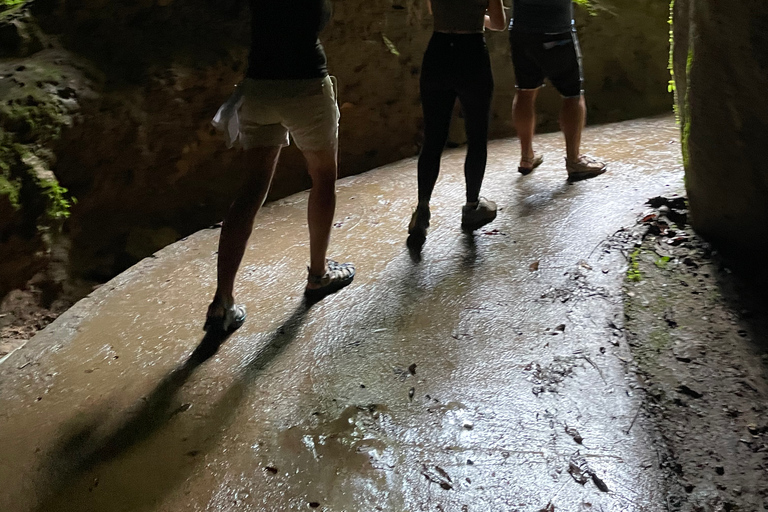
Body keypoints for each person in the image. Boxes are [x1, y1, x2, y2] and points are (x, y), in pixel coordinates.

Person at [205, 0, 354, 332]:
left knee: (251, 189)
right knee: (323, 177)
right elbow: (319, 19)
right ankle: (318, 275)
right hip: (307, 86)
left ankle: (222, 302)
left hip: (259, 88)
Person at [407, 0, 508, 245]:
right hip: (471, 52)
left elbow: (434, 10)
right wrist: (477, 17)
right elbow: (498, 23)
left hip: (438, 50)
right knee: (476, 134)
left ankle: (422, 208)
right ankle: (472, 206)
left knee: (433, 138)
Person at [509, 0, 606, 179]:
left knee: (525, 91)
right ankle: (574, 161)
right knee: (572, 95)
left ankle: (526, 157)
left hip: (521, 32)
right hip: (556, 30)